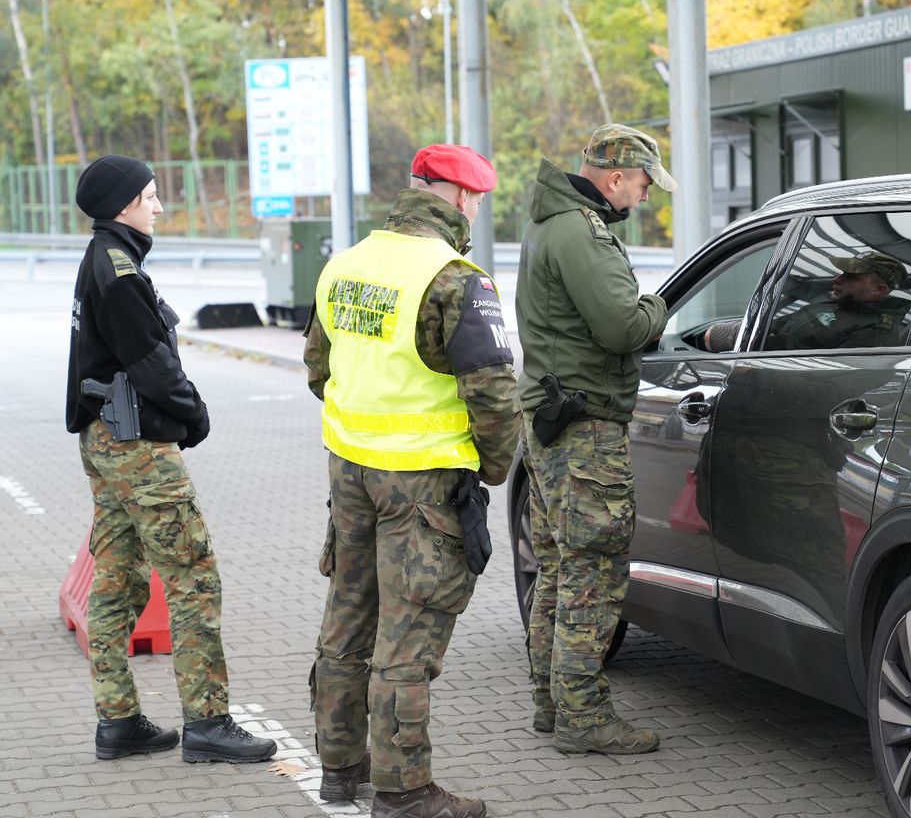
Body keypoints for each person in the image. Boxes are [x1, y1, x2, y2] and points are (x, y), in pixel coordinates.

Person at [304, 144, 520, 818]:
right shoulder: (454, 277)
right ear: (460, 198)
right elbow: (493, 394)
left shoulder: (345, 264)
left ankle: (341, 770)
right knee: (408, 634)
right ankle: (404, 792)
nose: (475, 210)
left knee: (348, 618)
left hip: (350, 470)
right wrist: (491, 466)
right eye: (476, 200)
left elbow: (319, 368)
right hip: (421, 481)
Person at [66, 154, 277, 764]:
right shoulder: (121, 270)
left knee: (118, 579)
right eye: (152, 196)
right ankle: (208, 723)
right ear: (125, 204)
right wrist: (193, 411)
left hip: (105, 442)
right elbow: (151, 363)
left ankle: (118, 720)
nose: (159, 206)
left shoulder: (102, 257)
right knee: (193, 578)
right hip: (135, 449)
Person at [515, 124, 673, 755]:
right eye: (640, 184)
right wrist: (659, 306)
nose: (642, 198)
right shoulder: (582, 231)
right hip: (586, 430)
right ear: (614, 178)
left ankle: (551, 704)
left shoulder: (548, 224)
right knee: (592, 574)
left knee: (556, 568)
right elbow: (622, 325)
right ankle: (584, 719)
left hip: (554, 423)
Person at [703, 250, 909, 352]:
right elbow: (775, 325)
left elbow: (828, 386)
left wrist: (748, 373)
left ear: (878, 290)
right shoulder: (835, 304)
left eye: (851, 277)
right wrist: (735, 334)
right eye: (841, 273)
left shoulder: (875, 335)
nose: (836, 280)